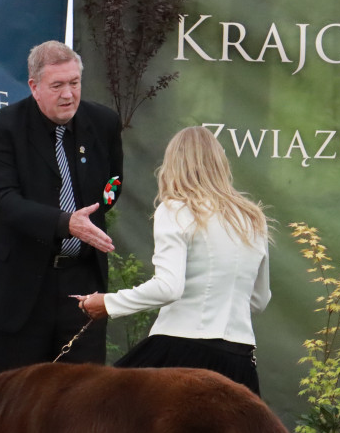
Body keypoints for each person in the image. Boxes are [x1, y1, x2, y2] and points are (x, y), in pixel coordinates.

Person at [79, 125, 271, 395]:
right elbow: (260, 300)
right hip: (239, 359)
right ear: (220, 163)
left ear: (173, 165)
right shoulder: (252, 219)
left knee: (97, 408)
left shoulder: (175, 209)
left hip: (182, 353)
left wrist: (107, 303)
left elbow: (169, 287)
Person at [0, 40, 123, 374]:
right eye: (57, 85)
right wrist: (64, 223)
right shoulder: (4, 128)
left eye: (74, 83)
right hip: (23, 287)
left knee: (80, 401)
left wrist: (99, 207)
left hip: (82, 284)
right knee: (18, 403)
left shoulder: (103, 123)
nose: (68, 94)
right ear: (34, 87)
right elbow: (1, 199)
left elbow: (115, 181)